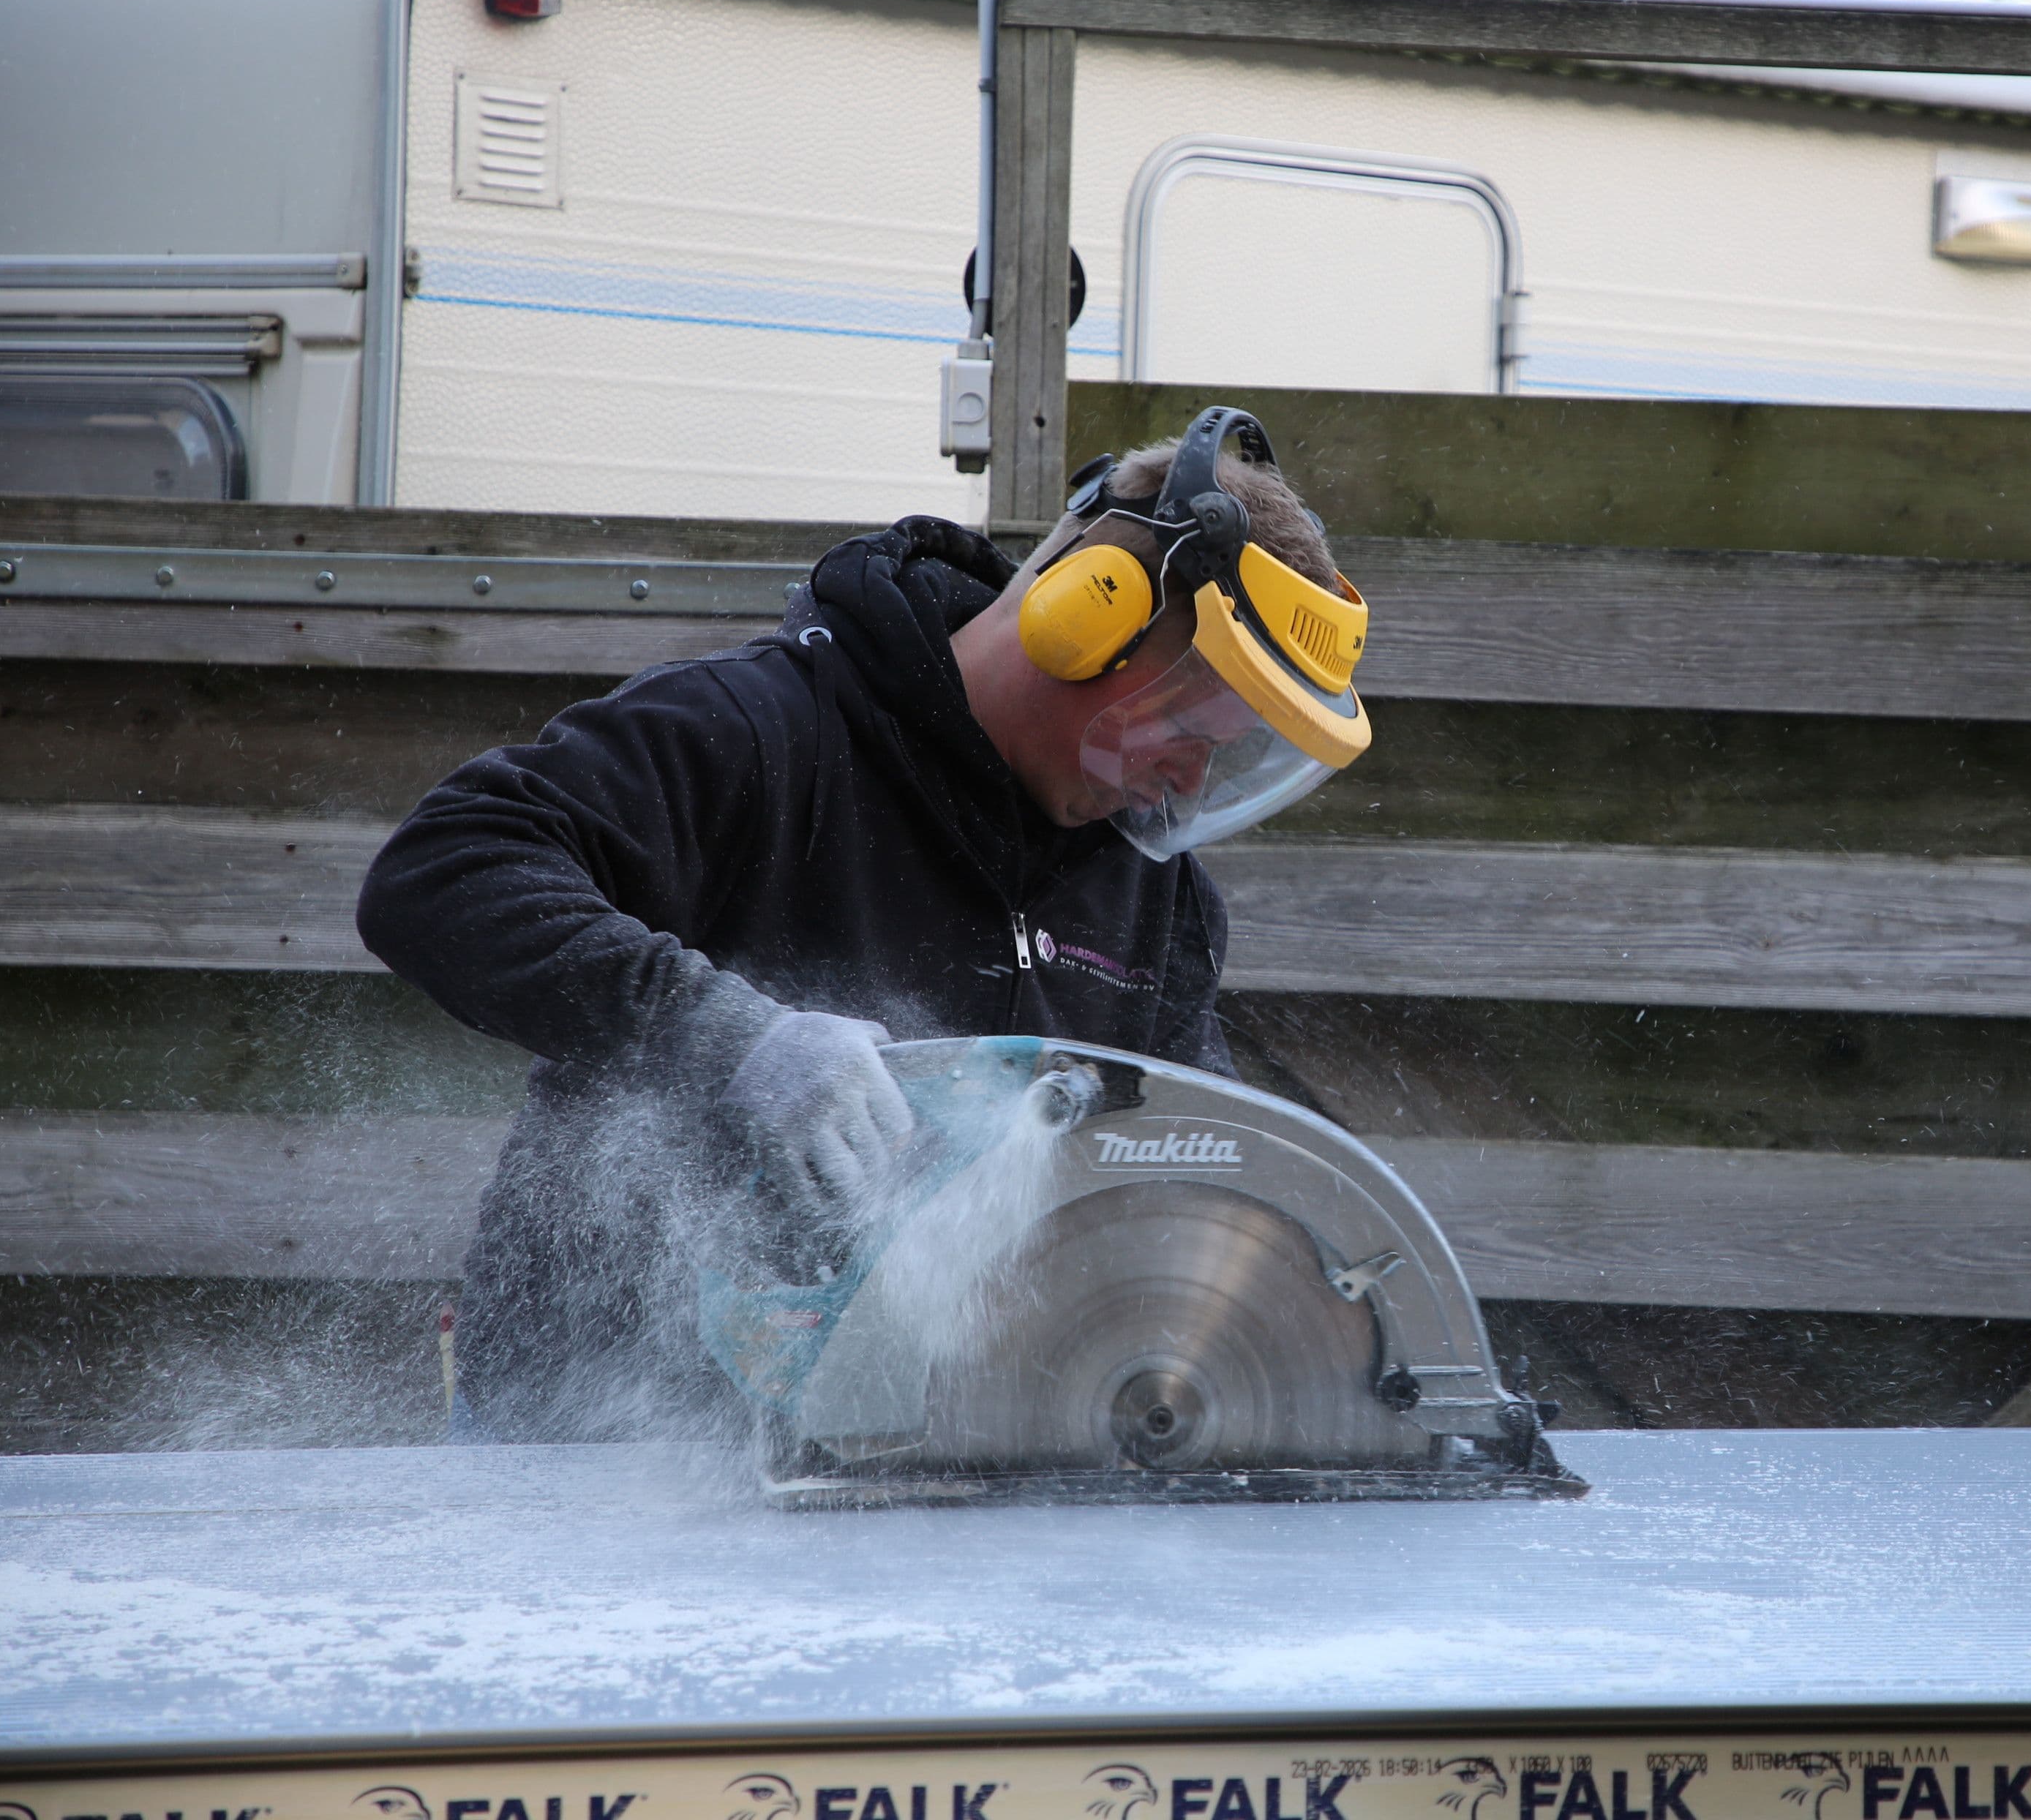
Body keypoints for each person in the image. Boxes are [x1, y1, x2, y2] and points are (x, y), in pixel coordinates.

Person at [356, 408, 1371, 1439]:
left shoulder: (1160, 899)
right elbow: (444, 869)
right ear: (1088, 612)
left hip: (921, 1473)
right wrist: (731, 1039)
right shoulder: (760, 736)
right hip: (590, 1450)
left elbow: (1185, 1171)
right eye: (1190, 727)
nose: (1189, 781)